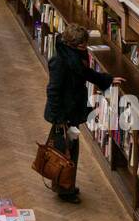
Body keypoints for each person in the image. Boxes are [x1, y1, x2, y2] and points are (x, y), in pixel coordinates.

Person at [43, 22, 122, 203]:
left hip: (71, 112)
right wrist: (59, 120)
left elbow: (86, 73)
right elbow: (53, 91)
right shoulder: (60, 62)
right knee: (65, 154)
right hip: (63, 116)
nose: (84, 48)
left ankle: (65, 185)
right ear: (71, 44)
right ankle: (65, 189)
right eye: (81, 46)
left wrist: (108, 80)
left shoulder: (74, 56)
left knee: (67, 151)